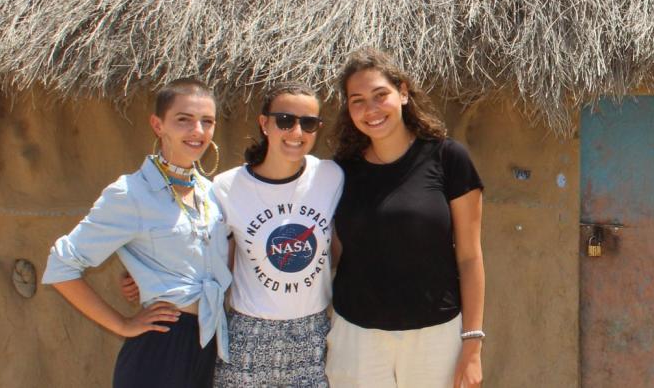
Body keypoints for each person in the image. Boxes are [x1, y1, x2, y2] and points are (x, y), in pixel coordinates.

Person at [43, 78, 232, 388]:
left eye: (207, 122)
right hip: (161, 344)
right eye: (184, 120)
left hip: (208, 343)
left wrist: (137, 274)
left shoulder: (212, 193)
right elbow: (61, 266)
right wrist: (122, 323)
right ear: (158, 125)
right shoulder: (131, 193)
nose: (198, 131)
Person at [327, 48, 485, 388]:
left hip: (435, 338)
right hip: (357, 338)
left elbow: (470, 257)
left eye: (380, 95)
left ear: (402, 92)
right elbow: (332, 254)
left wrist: (472, 344)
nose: (370, 109)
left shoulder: (447, 158)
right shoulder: (341, 172)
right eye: (357, 100)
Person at [209, 83, 344, 387]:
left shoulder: (330, 176)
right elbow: (211, 259)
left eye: (308, 123)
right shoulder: (226, 187)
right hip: (248, 336)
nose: (296, 132)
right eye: (285, 120)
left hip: (313, 334)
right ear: (264, 123)